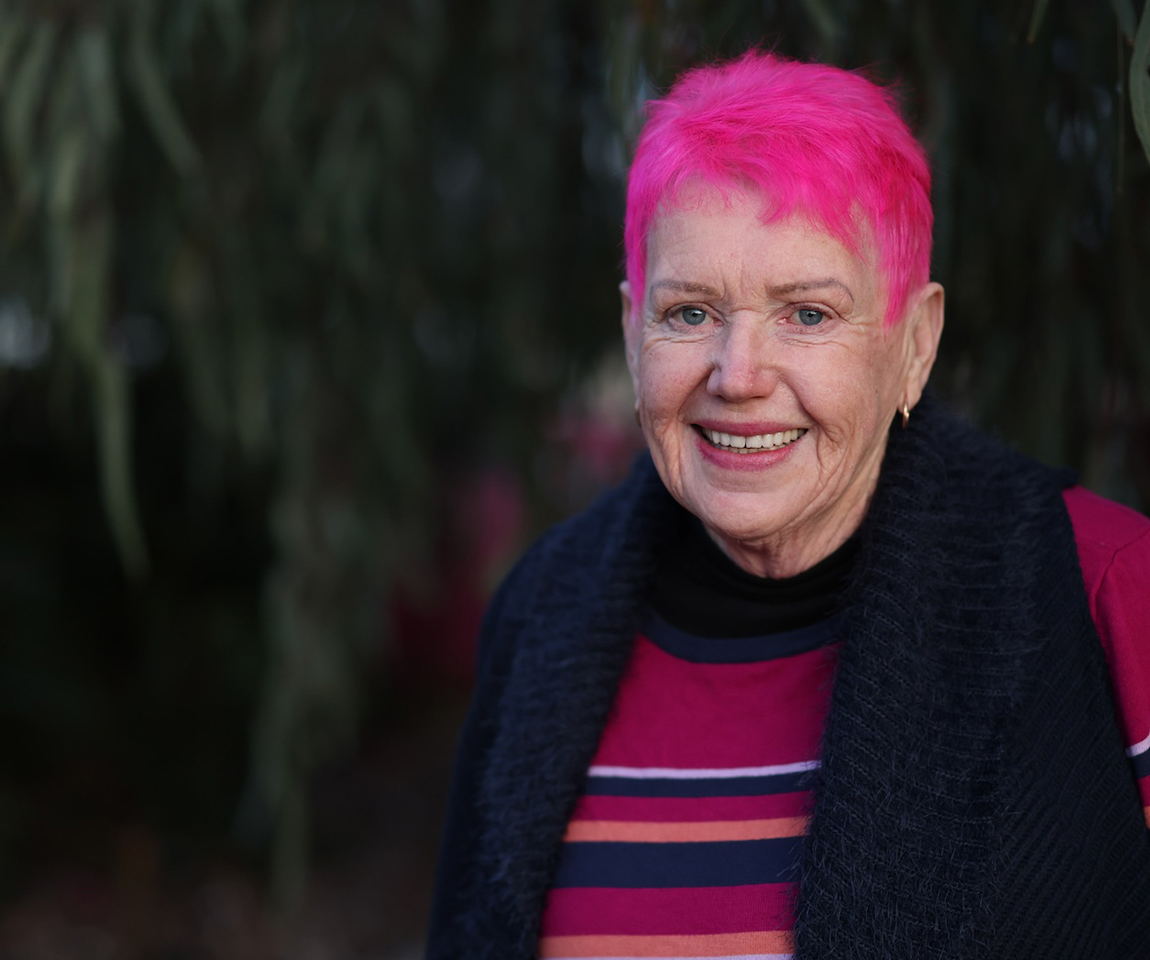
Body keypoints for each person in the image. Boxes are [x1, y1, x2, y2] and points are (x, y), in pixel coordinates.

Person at [425, 51, 1150, 960]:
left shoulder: (1106, 593)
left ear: (915, 344)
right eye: (689, 313)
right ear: (629, 328)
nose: (739, 377)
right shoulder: (543, 617)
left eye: (807, 314)